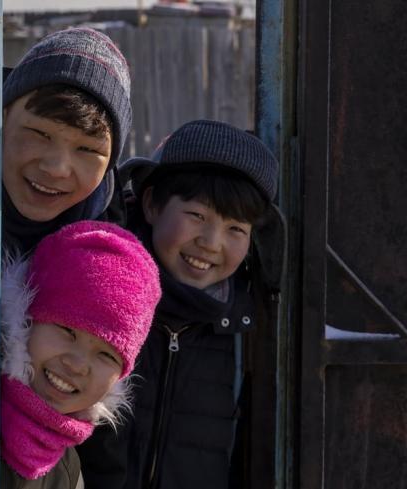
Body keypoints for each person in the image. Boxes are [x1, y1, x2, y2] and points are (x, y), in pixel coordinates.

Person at [77, 120, 285, 489]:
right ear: (151, 204)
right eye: (197, 216)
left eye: (236, 228)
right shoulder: (100, 299)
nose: (211, 242)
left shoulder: (246, 331)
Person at [0, 221, 162, 488]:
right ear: (24, 318)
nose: (77, 365)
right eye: (67, 330)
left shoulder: (67, 472)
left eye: (107, 355)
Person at [2, 27, 132, 255]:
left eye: (87, 149)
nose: (57, 169)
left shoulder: (114, 255)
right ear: (3, 117)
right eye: (40, 134)